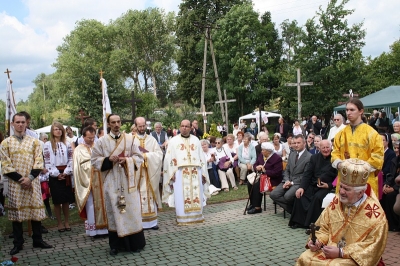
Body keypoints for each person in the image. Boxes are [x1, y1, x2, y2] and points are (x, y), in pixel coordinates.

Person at [296, 158, 388, 266]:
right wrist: (318, 241)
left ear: (361, 192)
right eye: (341, 187)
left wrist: (341, 252)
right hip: (330, 248)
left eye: (347, 189)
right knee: (304, 258)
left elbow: (372, 246)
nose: (341, 192)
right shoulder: (336, 203)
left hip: (354, 257)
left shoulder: (375, 215)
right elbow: (323, 227)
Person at [91, 114, 145, 255]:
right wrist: (108, 159)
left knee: (131, 211)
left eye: (118, 122)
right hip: (111, 182)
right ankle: (116, 245)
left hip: (128, 181)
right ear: (108, 124)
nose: (116, 124)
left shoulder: (130, 139)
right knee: (114, 212)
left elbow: (139, 158)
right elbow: (94, 161)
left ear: (121, 123)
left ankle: (134, 244)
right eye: (113, 122)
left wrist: (127, 160)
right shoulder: (101, 142)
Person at [0, 113, 52, 255]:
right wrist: (20, 179)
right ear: (12, 124)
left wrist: (29, 178)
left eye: (23, 122)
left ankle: (38, 239)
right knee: (17, 213)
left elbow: (39, 161)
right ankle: (18, 243)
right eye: (17, 122)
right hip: (15, 184)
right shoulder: (6, 143)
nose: (20, 124)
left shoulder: (34, 141)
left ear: (26, 123)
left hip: (32, 181)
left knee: (35, 212)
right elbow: (6, 164)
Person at [332, 98, 384, 197]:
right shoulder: (340, 134)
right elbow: (335, 153)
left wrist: (358, 169)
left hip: (364, 181)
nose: (348, 113)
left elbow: (378, 157)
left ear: (361, 111)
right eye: (347, 110)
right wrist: (340, 164)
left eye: (352, 110)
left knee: (363, 211)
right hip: (344, 180)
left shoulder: (372, 133)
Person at [162, 119, 210, 225]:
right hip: (180, 172)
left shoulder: (196, 140)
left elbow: (201, 157)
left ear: (190, 128)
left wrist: (203, 173)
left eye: (187, 126)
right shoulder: (173, 141)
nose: (184, 128)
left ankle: (197, 217)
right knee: (181, 195)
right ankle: (182, 218)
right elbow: (168, 158)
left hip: (195, 172)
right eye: (182, 126)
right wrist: (171, 174)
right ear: (180, 127)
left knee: (196, 194)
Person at [289, 140, 337, 229]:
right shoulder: (314, 158)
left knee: (317, 198)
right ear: (319, 148)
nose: (326, 150)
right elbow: (307, 174)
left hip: (326, 187)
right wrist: (301, 187)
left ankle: (311, 224)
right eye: (323, 148)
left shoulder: (335, 159)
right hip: (313, 184)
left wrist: (329, 185)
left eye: (327, 147)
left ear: (331, 148)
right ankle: (299, 222)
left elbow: (338, 177)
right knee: (300, 195)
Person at [73, 126, 108, 237]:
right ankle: (93, 231)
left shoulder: (98, 146)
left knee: (104, 203)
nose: (92, 140)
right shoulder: (79, 149)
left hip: (101, 180)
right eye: (89, 138)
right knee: (91, 204)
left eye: (93, 138)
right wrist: (94, 165)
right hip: (89, 181)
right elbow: (79, 167)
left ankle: (105, 229)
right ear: (83, 137)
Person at [43, 122, 74, 233]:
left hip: (65, 172)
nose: (58, 131)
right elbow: (47, 161)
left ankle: (66, 222)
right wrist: (57, 174)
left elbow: (71, 158)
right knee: (57, 201)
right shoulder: (47, 145)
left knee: (65, 200)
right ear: (52, 131)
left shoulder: (67, 143)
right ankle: (59, 223)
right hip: (54, 173)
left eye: (60, 129)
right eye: (56, 129)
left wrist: (66, 172)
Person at [134, 117, 163, 230]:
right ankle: (139, 223)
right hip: (137, 175)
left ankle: (152, 222)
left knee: (151, 195)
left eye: (143, 126)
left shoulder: (152, 140)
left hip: (150, 174)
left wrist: (146, 156)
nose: (142, 128)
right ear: (136, 126)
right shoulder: (131, 140)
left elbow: (159, 155)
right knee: (137, 196)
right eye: (139, 126)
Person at [270, 134, 312, 213]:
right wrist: (286, 181)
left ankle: (296, 212)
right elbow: (287, 170)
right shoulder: (292, 154)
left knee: (287, 196)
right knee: (273, 194)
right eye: (295, 143)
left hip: (298, 183)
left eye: (298, 143)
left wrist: (291, 183)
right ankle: (294, 210)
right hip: (288, 180)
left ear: (304, 143)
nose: (296, 145)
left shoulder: (309, 157)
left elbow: (306, 175)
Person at [247, 142, 283, 214]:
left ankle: (257, 207)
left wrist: (265, 171)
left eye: (263, 150)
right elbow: (256, 164)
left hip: (272, 179)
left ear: (268, 151)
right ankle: (253, 203)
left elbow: (277, 173)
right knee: (249, 182)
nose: (261, 151)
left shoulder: (277, 158)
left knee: (257, 184)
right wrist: (257, 167)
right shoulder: (261, 155)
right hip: (261, 176)